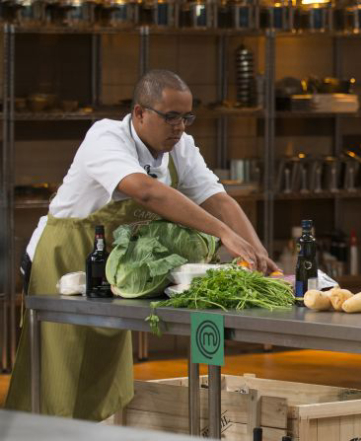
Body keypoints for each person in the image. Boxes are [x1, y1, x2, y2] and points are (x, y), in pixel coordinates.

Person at [5, 69, 278, 419]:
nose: (180, 127)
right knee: (54, 373)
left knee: (101, 370)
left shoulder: (181, 147)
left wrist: (258, 254)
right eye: (171, 117)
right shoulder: (105, 137)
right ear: (139, 113)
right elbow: (146, 192)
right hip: (63, 260)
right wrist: (224, 234)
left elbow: (218, 198)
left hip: (110, 267)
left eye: (186, 117)